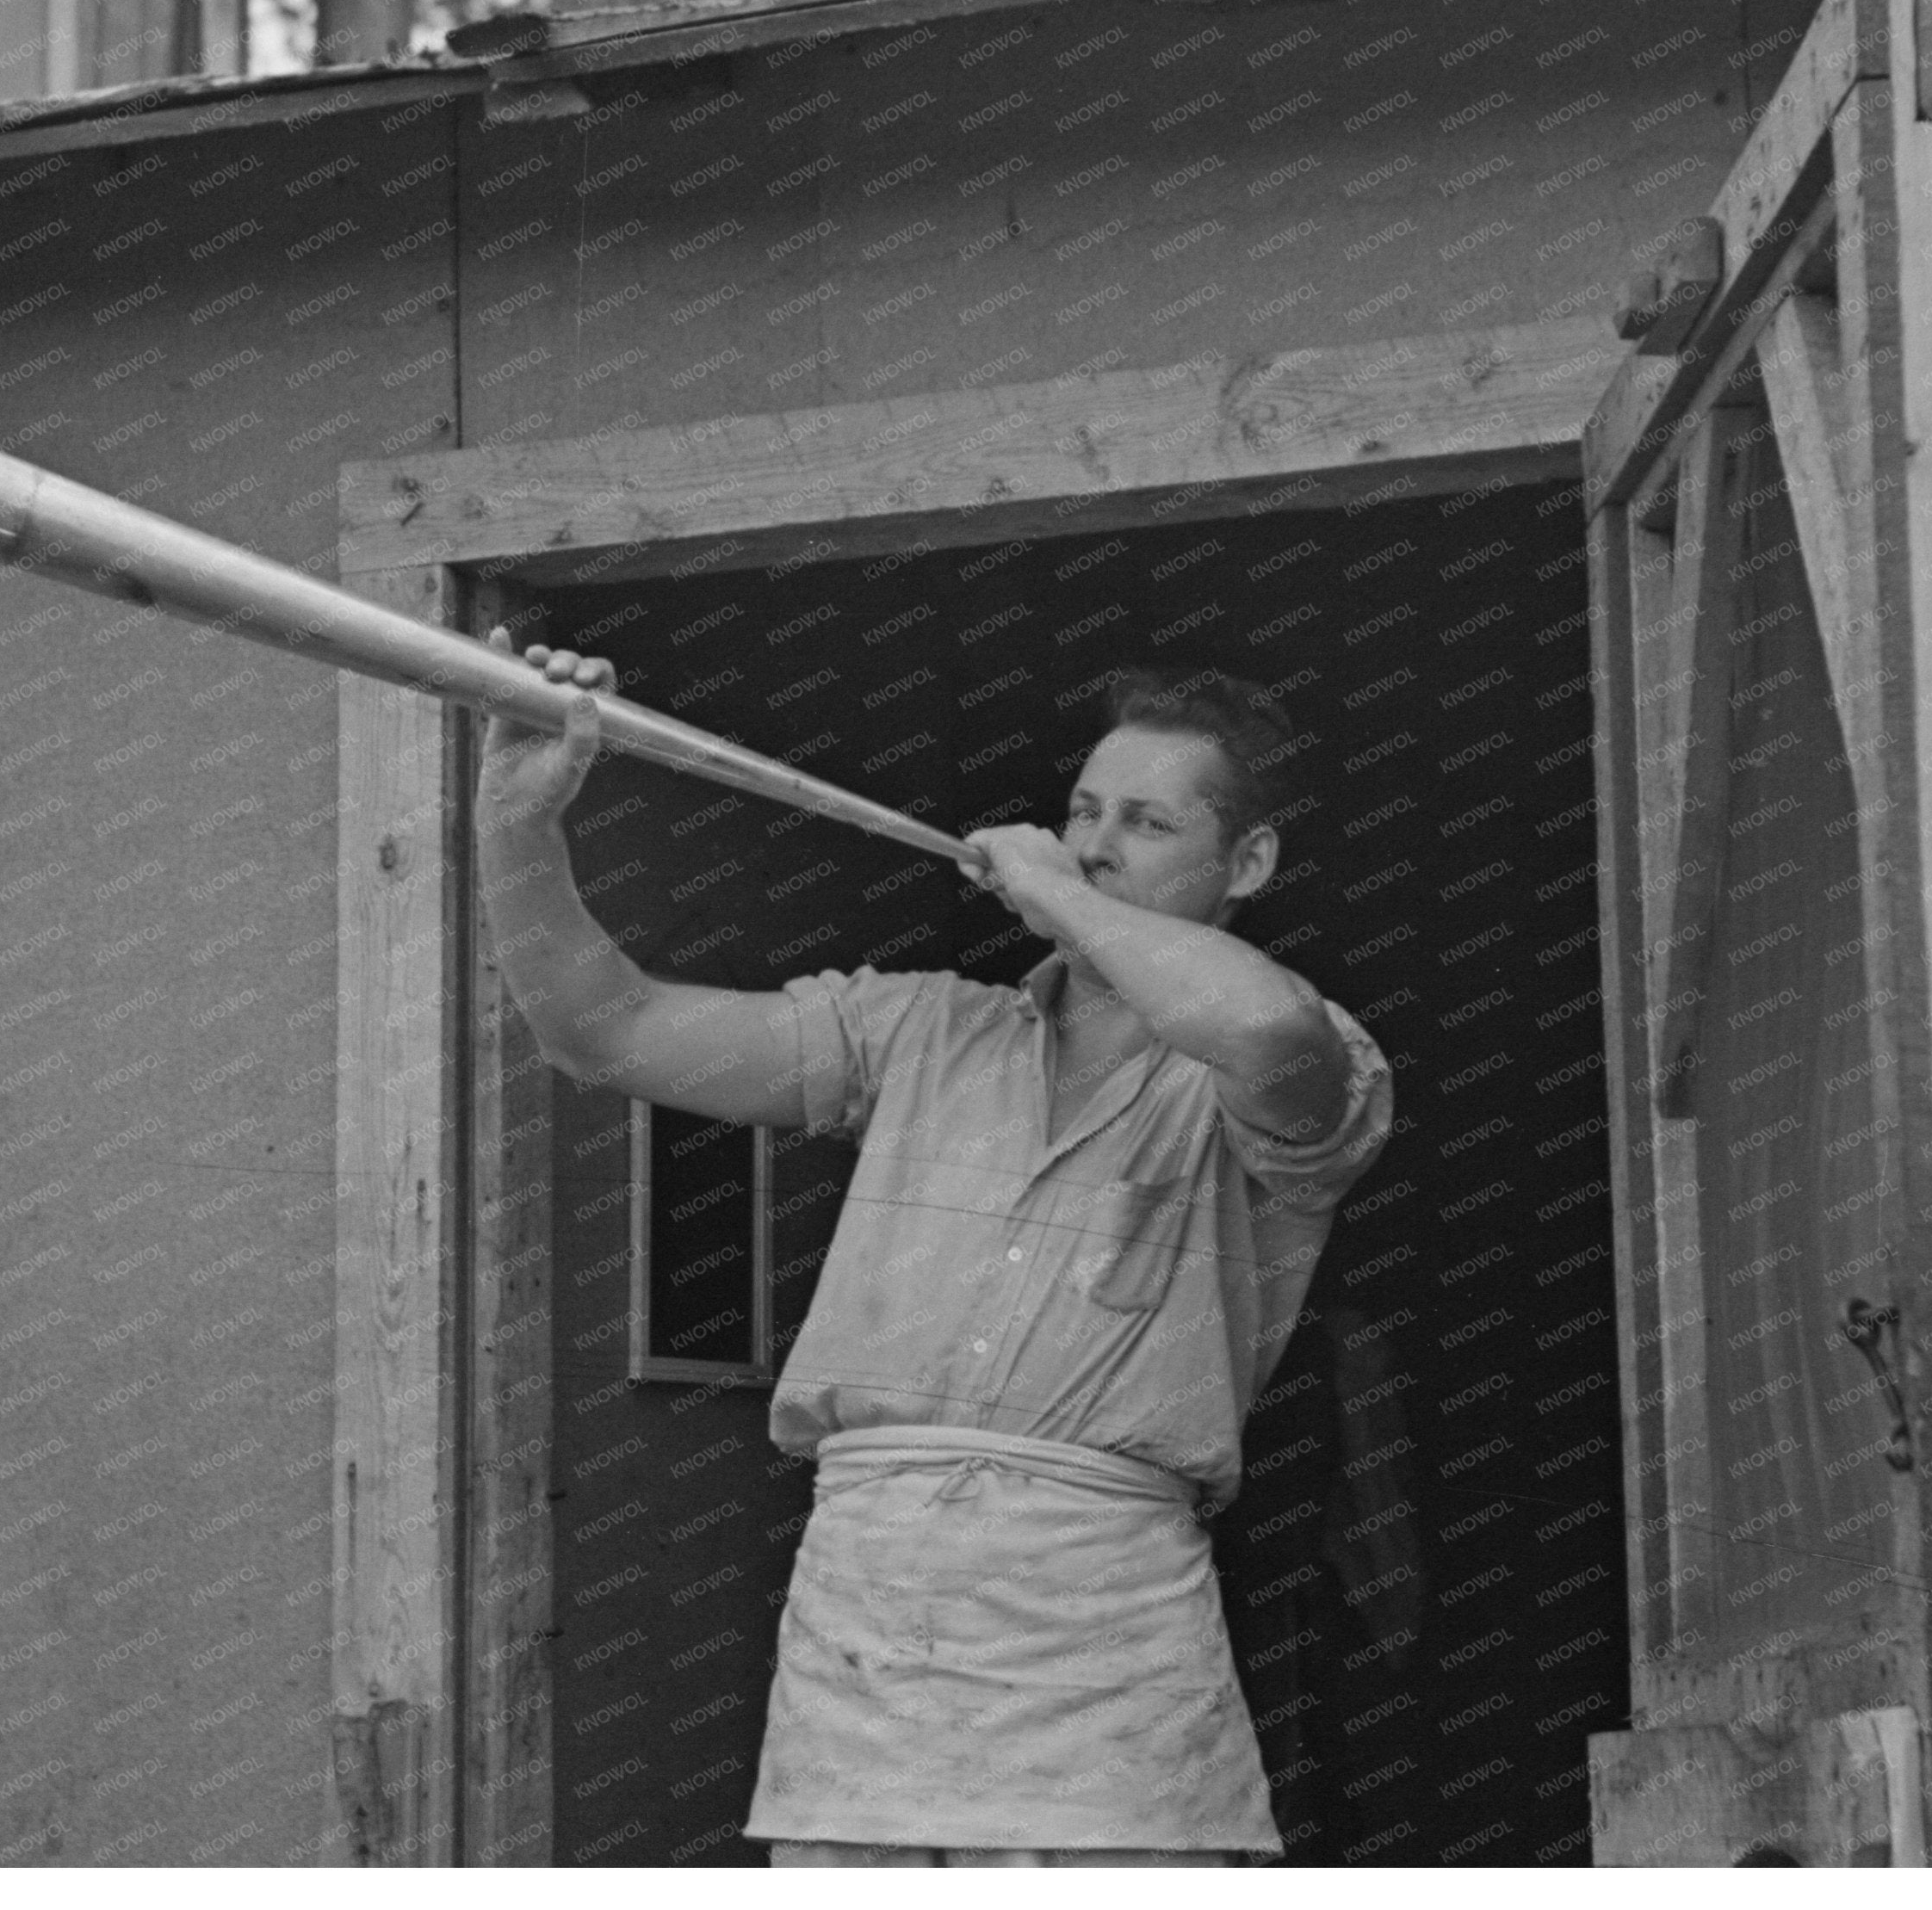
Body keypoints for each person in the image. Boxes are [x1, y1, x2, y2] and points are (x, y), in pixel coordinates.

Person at [472, 635, 1397, 1868]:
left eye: (1143, 823)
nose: (1090, 842)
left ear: (1249, 861)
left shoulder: (1300, 1055)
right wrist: (516, 825)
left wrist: (1057, 889)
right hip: (866, 1624)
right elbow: (607, 1030)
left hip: (1107, 1638)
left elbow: (1260, 1021)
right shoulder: (913, 1028)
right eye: (1078, 810)